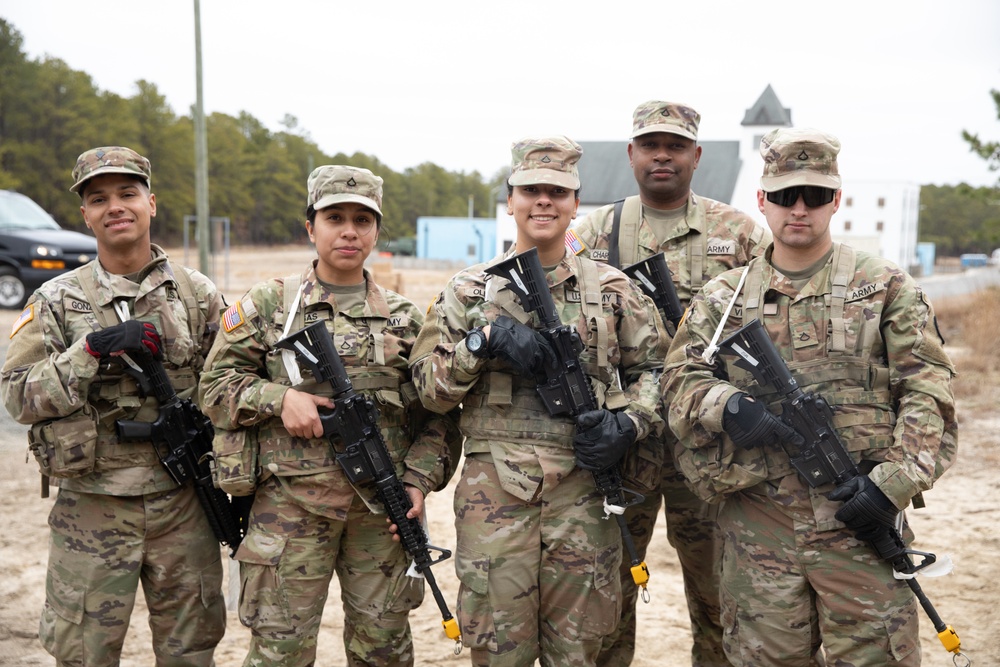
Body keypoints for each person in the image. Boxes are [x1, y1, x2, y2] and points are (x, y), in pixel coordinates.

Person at [663, 127, 958, 665]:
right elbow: (678, 382)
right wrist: (726, 405)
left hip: (860, 521)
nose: (799, 209)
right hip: (756, 530)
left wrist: (890, 485)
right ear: (762, 201)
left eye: (816, 196)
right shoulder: (723, 298)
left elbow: (928, 393)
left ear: (836, 200)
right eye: (783, 196)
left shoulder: (885, 287)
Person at [409, 136, 670, 666]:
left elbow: (662, 374)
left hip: (585, 490)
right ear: (510, 200)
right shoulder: (469, 292)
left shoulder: (615, 291)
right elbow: (428, 390)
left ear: (577, 204)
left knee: (578, 651)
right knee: (497, 648)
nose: (544, 202)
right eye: (531, 190)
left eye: (558, 191)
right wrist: (483, 342)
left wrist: (629, 425)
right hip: (495, 498)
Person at [197, 164, 460, 667]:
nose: (348, 231)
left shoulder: (406, 317)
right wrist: (279, 399)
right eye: (334, 217)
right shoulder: (271, 305)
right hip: (289, 508)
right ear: (310, 227)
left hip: (380, 514)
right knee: (280, 653)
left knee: (383, 649)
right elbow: (213, 387)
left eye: (362, 220)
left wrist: (417, 483)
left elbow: (439, 415)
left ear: (377, 231)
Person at [0, 146, 227, 666]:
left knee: (191, 652)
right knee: (84, 652)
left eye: (128, 193)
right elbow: (18, 397)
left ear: (152, 203)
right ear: (85, 215)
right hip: (92, 509)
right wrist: (89, 352)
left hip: (184, 506)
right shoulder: (55, 300)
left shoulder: (196, 294)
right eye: (98, 199)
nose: (115, 207)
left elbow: (228, 388)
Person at [570, 100, 771, 666]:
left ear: (697, 155)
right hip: (622, 446)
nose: (664, 155)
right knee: (605, 596)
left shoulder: (737, 234)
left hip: (708, 449)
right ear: (631, 154)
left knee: (721, 596)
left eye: (676, 145)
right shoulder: (591, 233)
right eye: (651, 145)